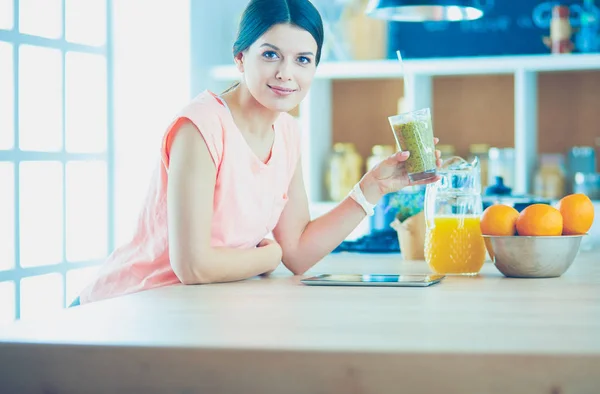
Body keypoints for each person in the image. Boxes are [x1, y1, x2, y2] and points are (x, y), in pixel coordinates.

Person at [74, 0, 442, 306]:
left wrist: (372, 188)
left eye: (303, 60)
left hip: (191, 310)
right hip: (125, 305)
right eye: (271, 55)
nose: (286, 73)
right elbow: (193, 267)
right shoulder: (200, 126)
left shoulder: (286, 132)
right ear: (240, 57)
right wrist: (268, 255)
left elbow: (296, 252)